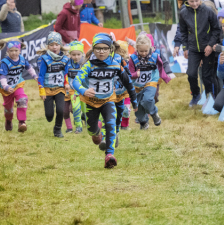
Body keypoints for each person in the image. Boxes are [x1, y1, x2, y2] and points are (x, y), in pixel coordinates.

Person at [72, 33, 138, 169]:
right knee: (92, 131)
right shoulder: (89, 65)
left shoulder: (115, 64)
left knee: (111, 124)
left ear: (110, 49)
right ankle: (96, 132)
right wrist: (83, 90)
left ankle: (109, 156)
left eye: (105, 48)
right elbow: (76, 81)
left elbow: (128, 82)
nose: (101, 51)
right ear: (93, 49)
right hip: (91, 102)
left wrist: (134, 100)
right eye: (98, 48)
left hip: (108, 100)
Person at [174, 0, 222, 106]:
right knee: (191, 74)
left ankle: (210, 96)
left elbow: (216, 29)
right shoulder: (183, 13)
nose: (195, 4)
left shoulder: (208, 11)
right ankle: (195, 94)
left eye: (196, 1)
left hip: (207, 48)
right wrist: (185, 47)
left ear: (200, 0)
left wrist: (210, 45)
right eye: (192, 1)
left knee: (206, 75)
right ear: (187, 1)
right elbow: (183, 31)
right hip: (193, 49)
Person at [129, 34, 171, 129]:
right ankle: (143, 122)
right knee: (138, 108)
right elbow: (130, 73)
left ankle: (154, 113)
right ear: (136, 48)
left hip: (151, 82)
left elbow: (161, 66)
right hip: (137, 85)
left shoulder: (155, 56)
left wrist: (165, 77)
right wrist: (135, 75)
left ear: (150, 48)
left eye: (146, 51)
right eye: (141, 51)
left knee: (147, 100)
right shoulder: (133, 58)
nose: (144, 53)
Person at [0, 39, 37, 132]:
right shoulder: (5, 63)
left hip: (18, 85)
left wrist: (35, 76)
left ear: (20, 51)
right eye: (11, 51)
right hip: (6, 88)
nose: (14, 53)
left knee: (22, 100)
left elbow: (29, 68)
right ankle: (8, 120)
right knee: (8, 108)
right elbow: (2, 76)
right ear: (7, 51)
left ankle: (22, 122)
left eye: (16, 50)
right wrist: (6, 86)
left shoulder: (22, 59)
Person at [37, 31, 69, 138]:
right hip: (48, 89)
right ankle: (50, 109)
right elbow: (41, 76)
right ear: (48, 46)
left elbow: (66, 73)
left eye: (57, 44)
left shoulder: (65, 59)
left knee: (60, 110)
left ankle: (57, 129)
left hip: (60, 89)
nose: (54, 47)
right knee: (49, 116)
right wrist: (41, 90)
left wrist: (66, 83)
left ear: (60, 45)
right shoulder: (44, 59)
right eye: (51, 45)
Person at [64, 41, 86, 133]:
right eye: (73, 55)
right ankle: (78, 126)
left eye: (78, 54)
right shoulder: (67, 63)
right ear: (70, 54)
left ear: (82, 54)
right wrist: (66, 83)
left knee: (85, 109)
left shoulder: (85, 63)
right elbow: (64, 74)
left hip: (84, 90)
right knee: (76, 108)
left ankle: (87, 121)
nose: (76, 57)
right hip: (73, 90)